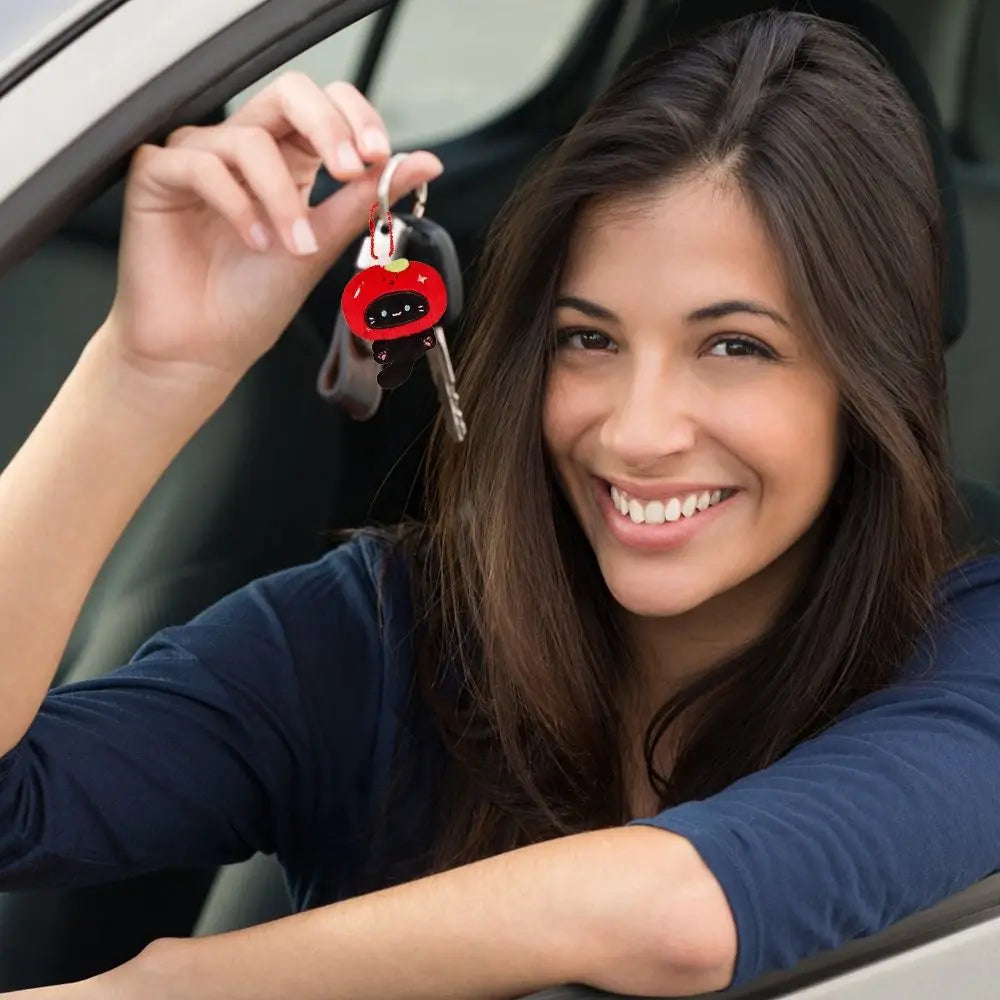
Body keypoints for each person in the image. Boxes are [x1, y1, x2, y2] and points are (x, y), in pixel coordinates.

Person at [2, 8, 1000, 999]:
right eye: (589, 339)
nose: (636, 431)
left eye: (733, 347)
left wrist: (156, 991)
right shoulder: (391, 630)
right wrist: (145, 373)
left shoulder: (976, 635)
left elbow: (676, 912)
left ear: (865, 384)